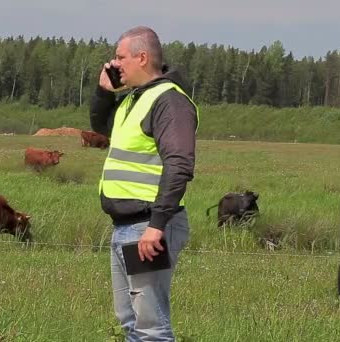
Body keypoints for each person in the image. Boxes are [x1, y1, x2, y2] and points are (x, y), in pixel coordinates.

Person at [89, 26, 199, 341]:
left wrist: (157, 225)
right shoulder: (133, 100)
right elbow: (100, 128)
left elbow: (179, 165)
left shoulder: (169, 102)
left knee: (150, 327)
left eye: (121, 57)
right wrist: (103, 93)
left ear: (142, 57)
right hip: (126, 226)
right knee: (130, 322)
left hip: (148, 228)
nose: (115, 63)